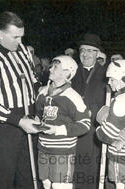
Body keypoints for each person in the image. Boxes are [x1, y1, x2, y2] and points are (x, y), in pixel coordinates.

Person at [0, 11, 41, 189]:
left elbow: (32, 80)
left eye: (22, 36)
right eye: (15, 37)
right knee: (2, 178)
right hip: (5, 124)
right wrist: (18, 120)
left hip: (28, 118)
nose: (20, 41)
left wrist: (39, 101)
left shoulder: (22, 51)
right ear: (0, 35)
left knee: (28, 174)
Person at [35, 55, 91, 189]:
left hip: (62, 151)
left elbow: (85, 124)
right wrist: (34, 121)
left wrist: (58, 130)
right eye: (51, 66)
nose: (50, 69)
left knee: (60, 185)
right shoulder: (43, 93)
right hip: (43, 148)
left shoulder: (72, 96)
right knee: (45, 182)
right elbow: (38, 115)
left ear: (66, 72)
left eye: (56, 67)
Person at [96, 59, 125, 189]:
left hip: (121, 153)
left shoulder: (121, 101)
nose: (109, 82)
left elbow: (108, 133)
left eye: (112, 79)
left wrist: (100, 126)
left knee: (120, 183)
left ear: (123, 79)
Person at [71, 33, 107, 189]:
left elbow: (110, 104)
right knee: (74, 168)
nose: (85, 54)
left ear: (97, 53)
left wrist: (96, 112)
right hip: (73, 128)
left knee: (92, 169)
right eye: (82, 50)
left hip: (94, 131)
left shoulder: (107, 73)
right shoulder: (71, 71)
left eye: (90, 50)